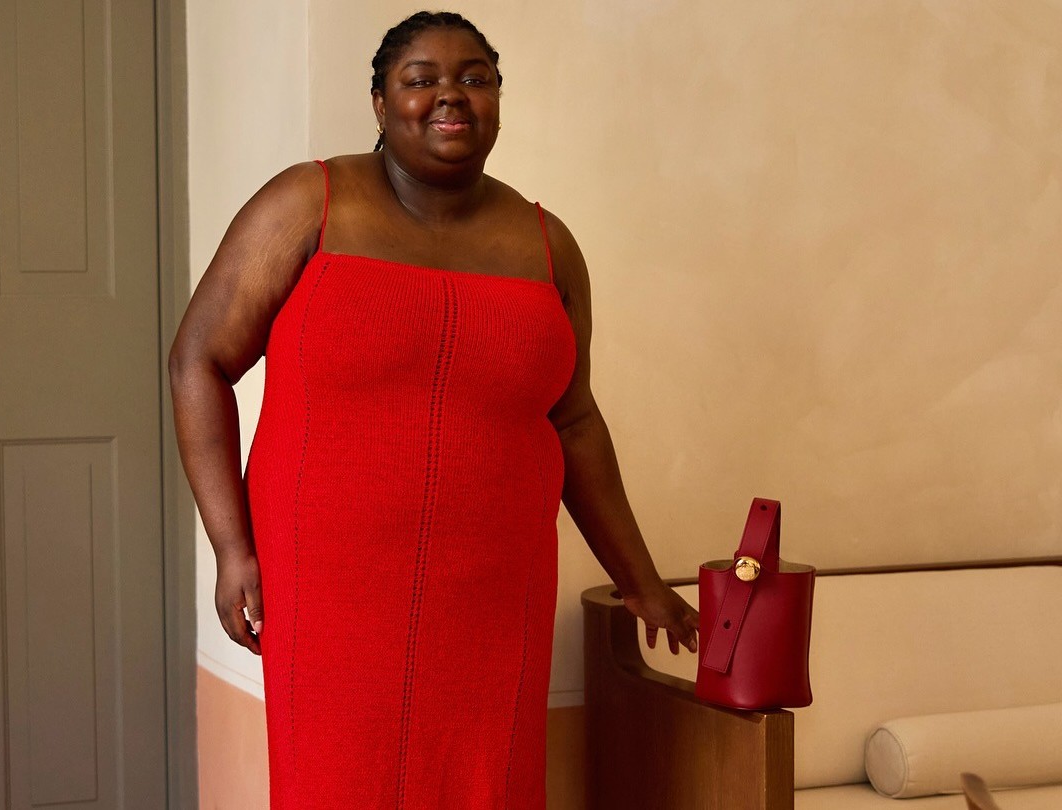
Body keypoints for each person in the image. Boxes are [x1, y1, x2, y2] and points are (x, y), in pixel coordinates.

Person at [169, 10, 699, 808]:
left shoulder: (548, 244)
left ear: (497, 99)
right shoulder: (308, 204)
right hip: (331, 588)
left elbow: (574, 420)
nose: (450, 96)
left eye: (474, 79)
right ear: (380, 103)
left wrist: (641, 580)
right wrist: (231, 546)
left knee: (487, 783)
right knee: (339, 784)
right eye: (421, 80)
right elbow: (197, 361)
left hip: (495, 594)